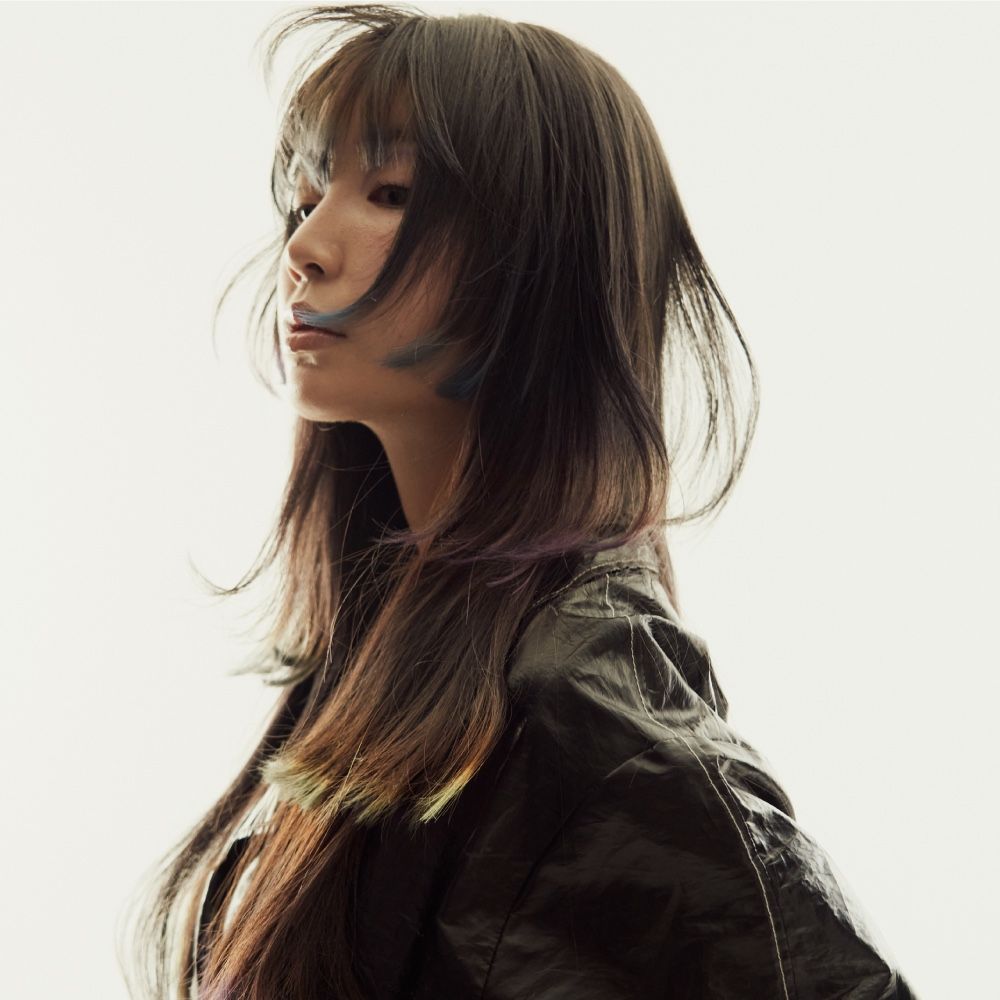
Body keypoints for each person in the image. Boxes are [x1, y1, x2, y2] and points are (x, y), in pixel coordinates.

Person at [119, 5, 918, 999]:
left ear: (538, 264)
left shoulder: (593, 722)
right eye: (307, 196)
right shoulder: (397, 660)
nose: (307, 246)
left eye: (391, 191)